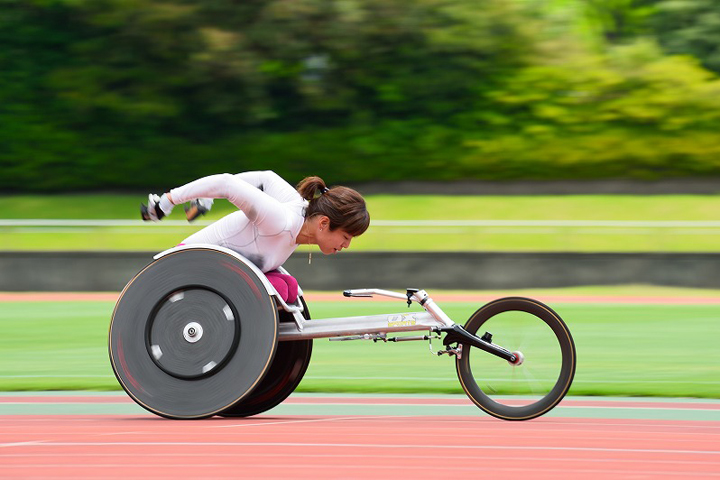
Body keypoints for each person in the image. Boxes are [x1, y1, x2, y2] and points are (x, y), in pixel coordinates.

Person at [141, 171, 370, 303]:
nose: (347, 245)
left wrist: (205, 199)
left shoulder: (298, 209)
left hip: (221, 276)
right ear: (323, 223)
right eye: (346, 236)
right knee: (278, 289)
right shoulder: (279, 221)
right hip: (183, 269)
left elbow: (265, 179)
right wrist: (167, 201)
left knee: (287, 286)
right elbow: (225, 183)